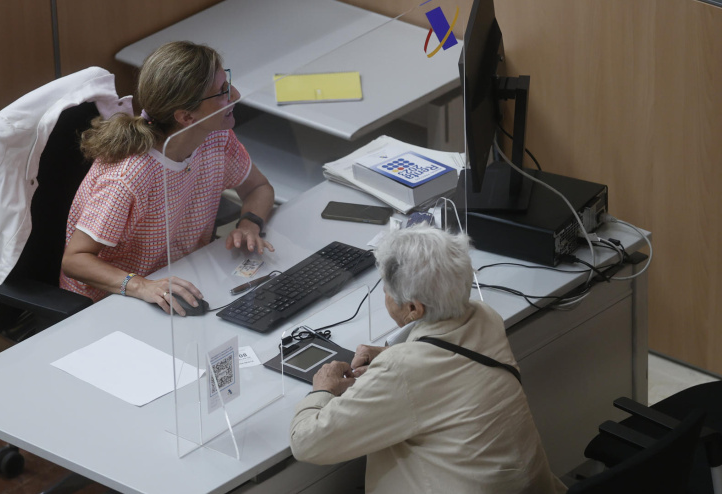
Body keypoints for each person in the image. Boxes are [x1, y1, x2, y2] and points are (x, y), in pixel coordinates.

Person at [289, 226, 566, 494]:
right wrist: (392, 354)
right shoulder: (485, 316)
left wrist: (322, 389)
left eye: (386, 290)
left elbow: (306, 443)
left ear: (413, 307)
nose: (384, 295)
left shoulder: (403, 370)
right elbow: (445, 367)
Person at [60, 41, 275, 315]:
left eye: (227, 83)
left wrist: (250, 224)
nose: (235, 95)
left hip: (182, 280)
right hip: (114, 302)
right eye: (222, 91)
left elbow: (258, 187)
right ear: (186, 116)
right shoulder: (128, 177)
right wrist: (142, 286)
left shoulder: (216, 137)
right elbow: (75, 260)